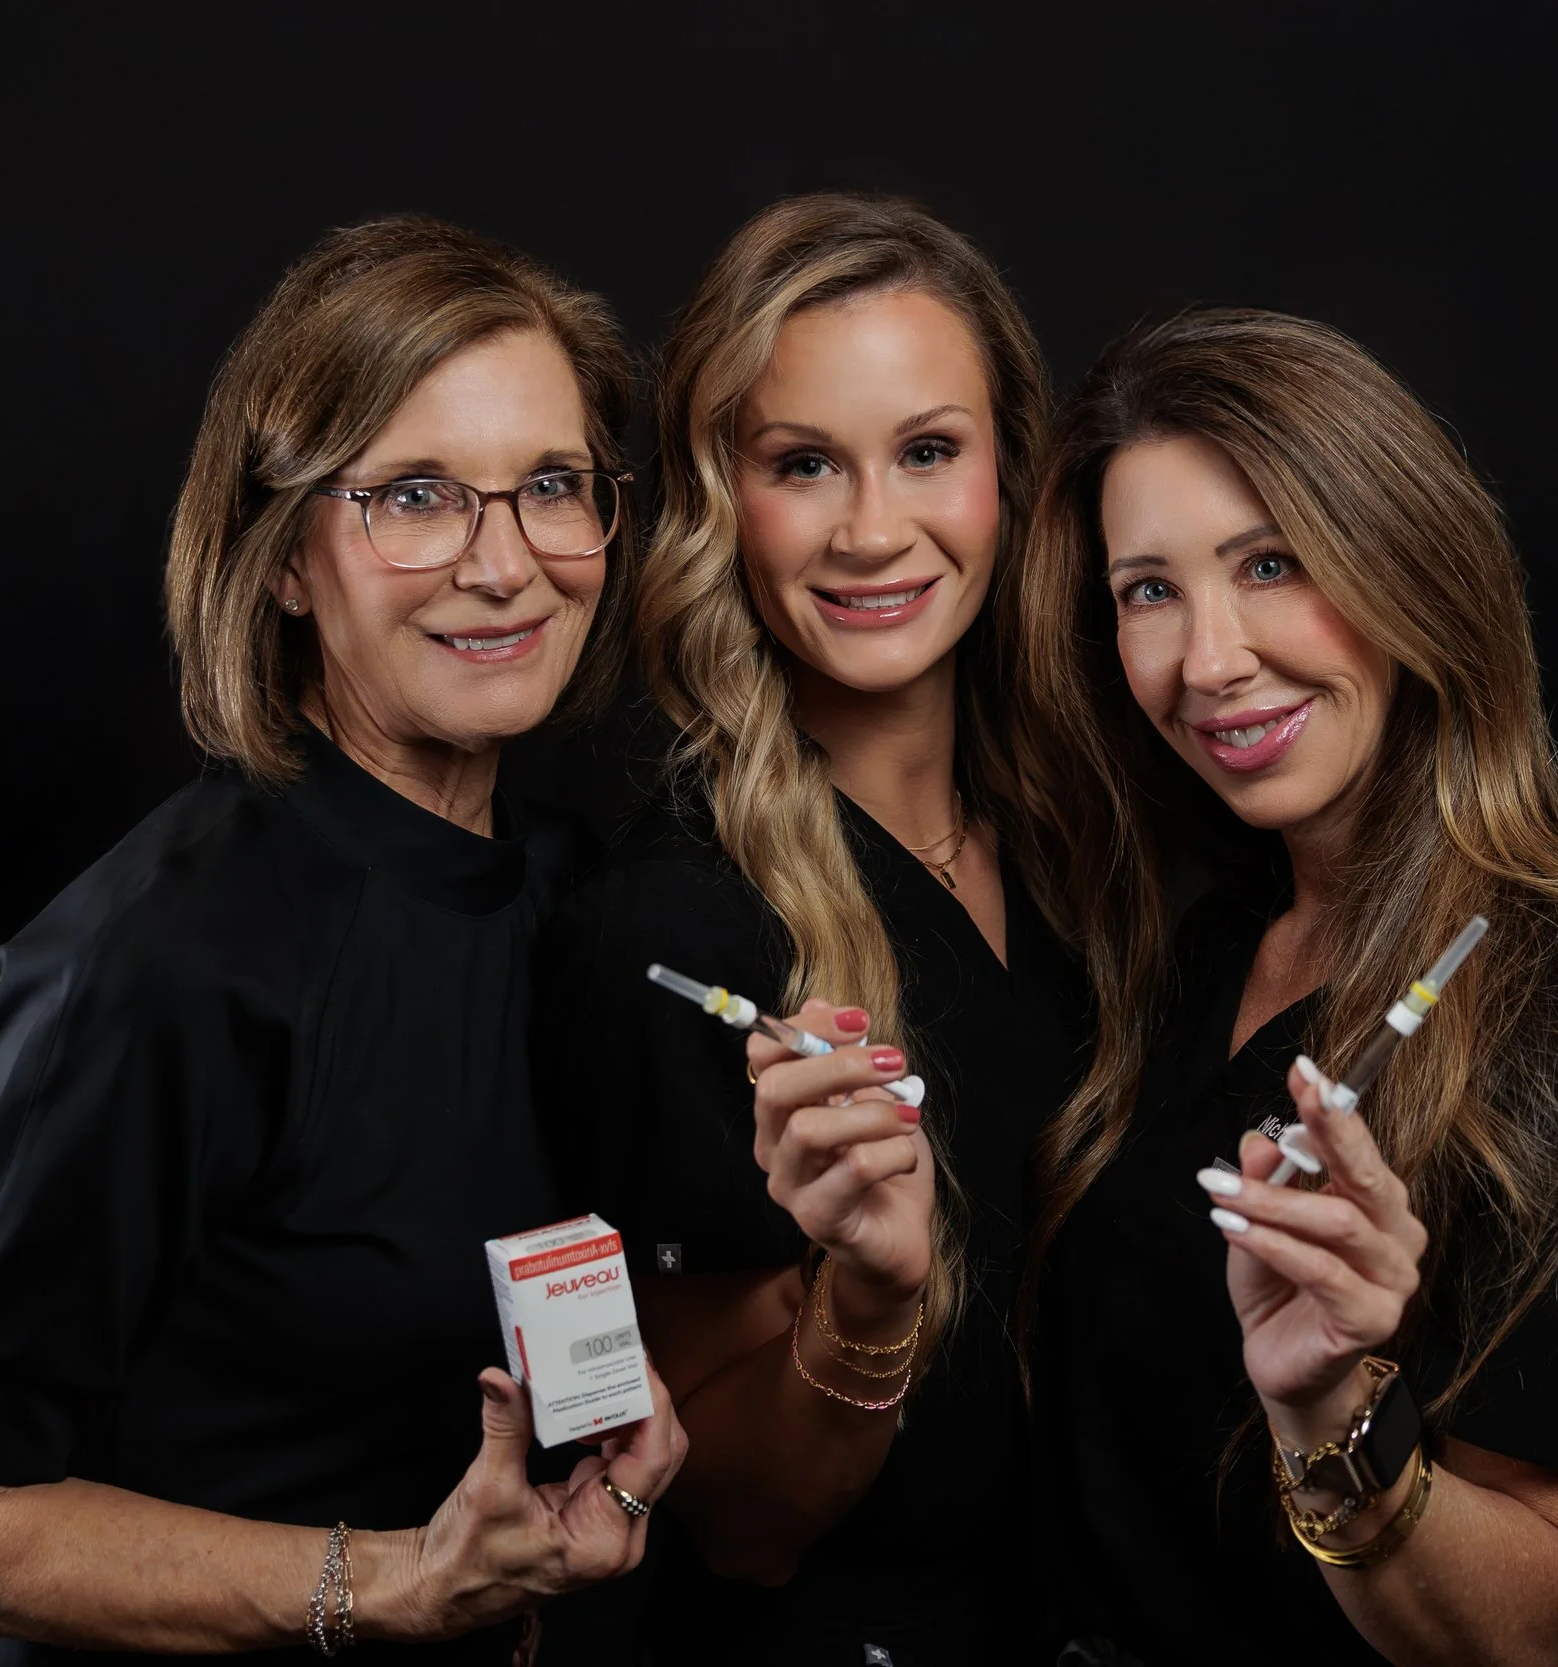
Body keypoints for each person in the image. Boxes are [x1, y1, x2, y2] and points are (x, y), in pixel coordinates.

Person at [0, 217, 687, 1665]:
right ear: (286, 556)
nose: (505, 564)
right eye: (415, 495)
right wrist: (402, 1582)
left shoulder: (575, 892)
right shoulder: (154, 963)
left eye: (552, 484)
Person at [1023, 309, 1558, 1665]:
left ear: (1408, 561)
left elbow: (1541, 1622)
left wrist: (1330, 1407)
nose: (1210, 658)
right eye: (1148, 589)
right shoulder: (1202, 949)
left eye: (1272, 562)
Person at [532, 196, 1150, 1665]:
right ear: (719, 500)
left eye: (928, 450)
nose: (875, 530)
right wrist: (866, 1297)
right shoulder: (670, 929)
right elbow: (742, 1523)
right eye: (803, 464)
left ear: (1012, 468)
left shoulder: (1095, 851)